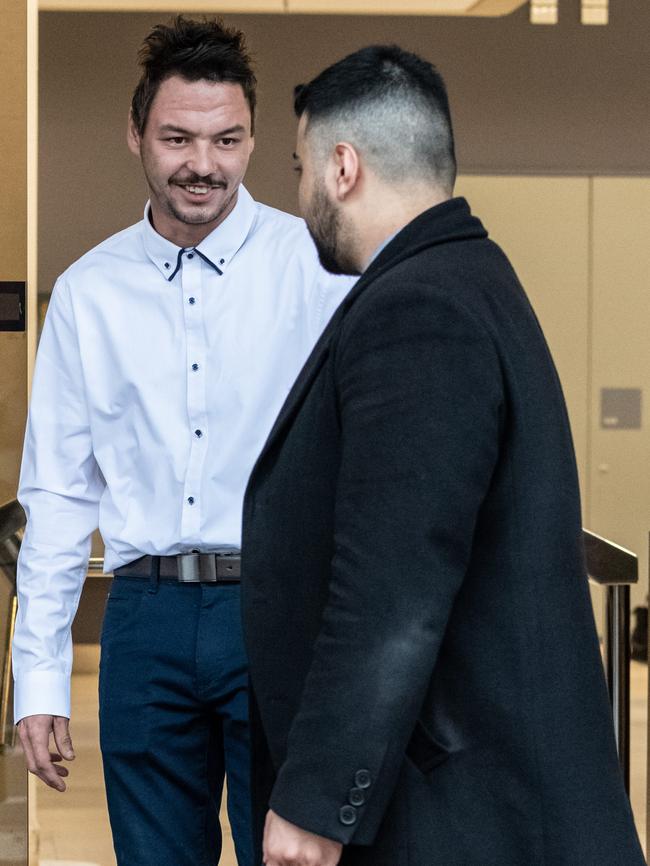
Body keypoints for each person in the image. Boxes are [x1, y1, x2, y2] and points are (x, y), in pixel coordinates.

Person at [240, 45, 646, 866]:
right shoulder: (465, 278)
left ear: (343, 167)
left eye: (299, 166)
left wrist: (317, 800)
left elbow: (391, 590)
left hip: (459, 809)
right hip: (466, 794)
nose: (301, 189)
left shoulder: (418, 309)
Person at [13, 16, 352, 866]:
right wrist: (39, 678)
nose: (203, 164)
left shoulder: (315, 268)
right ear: (136, 135)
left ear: (251, 139)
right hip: (142, 620)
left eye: (226, 139)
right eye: (177, 138)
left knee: (294, 854)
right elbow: (57, 495)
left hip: (278, 608)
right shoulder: (89, 293)